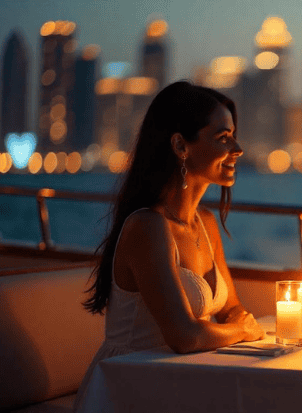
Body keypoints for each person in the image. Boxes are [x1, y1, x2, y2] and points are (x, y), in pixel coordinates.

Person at [74, 81, 264, 412]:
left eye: (233, 135)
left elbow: (231, 308)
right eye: (223, 138)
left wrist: (238, 322)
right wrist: (240, 330)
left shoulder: (204, 223)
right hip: (131, 386)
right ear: (180, 145)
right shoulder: (147, 227)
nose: (238, 148)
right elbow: (184, 336)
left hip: (180, 380)